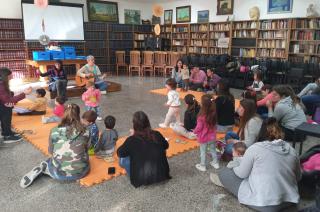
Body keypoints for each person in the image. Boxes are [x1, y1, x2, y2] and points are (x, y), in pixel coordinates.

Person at [213, 118, 301, 212]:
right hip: (290, 200)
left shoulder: (255, 148)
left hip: (266, 204)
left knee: (224, 173)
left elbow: (241, 174)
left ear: (261, 132)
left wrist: (236, 164)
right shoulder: (292, 150)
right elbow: (298, 177)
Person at [20, 104, 90, 188]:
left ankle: (45, 168)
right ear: (78, 115)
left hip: (58, 173)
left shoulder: (54, 131)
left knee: (51, 159)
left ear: (63, 114)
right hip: (81, 172)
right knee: (82, 158)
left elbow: (51, 151)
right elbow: (87, 148)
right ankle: (48, 167)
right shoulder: (86, 131)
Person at [117, 111, 171, 188]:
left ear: (134, 125)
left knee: (122, 160)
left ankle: (133, 174)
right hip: (162, 174)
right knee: (160, 148)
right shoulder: (156, 134)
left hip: (141, 178)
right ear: (147, 122)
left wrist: (132, 136)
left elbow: (119, 153)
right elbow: (166, 146)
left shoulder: (131, 140)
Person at [0, 67, 32, 143]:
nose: (11, 78)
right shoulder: (1, 85)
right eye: (10, 77)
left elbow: (6, 97)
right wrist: (24, 93)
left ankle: (7, 132)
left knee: (8, 106)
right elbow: (7, 100)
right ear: (5, 76)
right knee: (6, 109)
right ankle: (7, 136)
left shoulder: (2, 83)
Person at [194, 94, 219, 171]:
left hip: (203, 137)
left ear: (203, 104)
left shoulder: (201, 116)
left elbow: (199, 127)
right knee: (213, 149)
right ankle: (215, 163)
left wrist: (194, 131)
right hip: (212, 136)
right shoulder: (214, 113)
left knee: (203, 151)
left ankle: (202, 165)